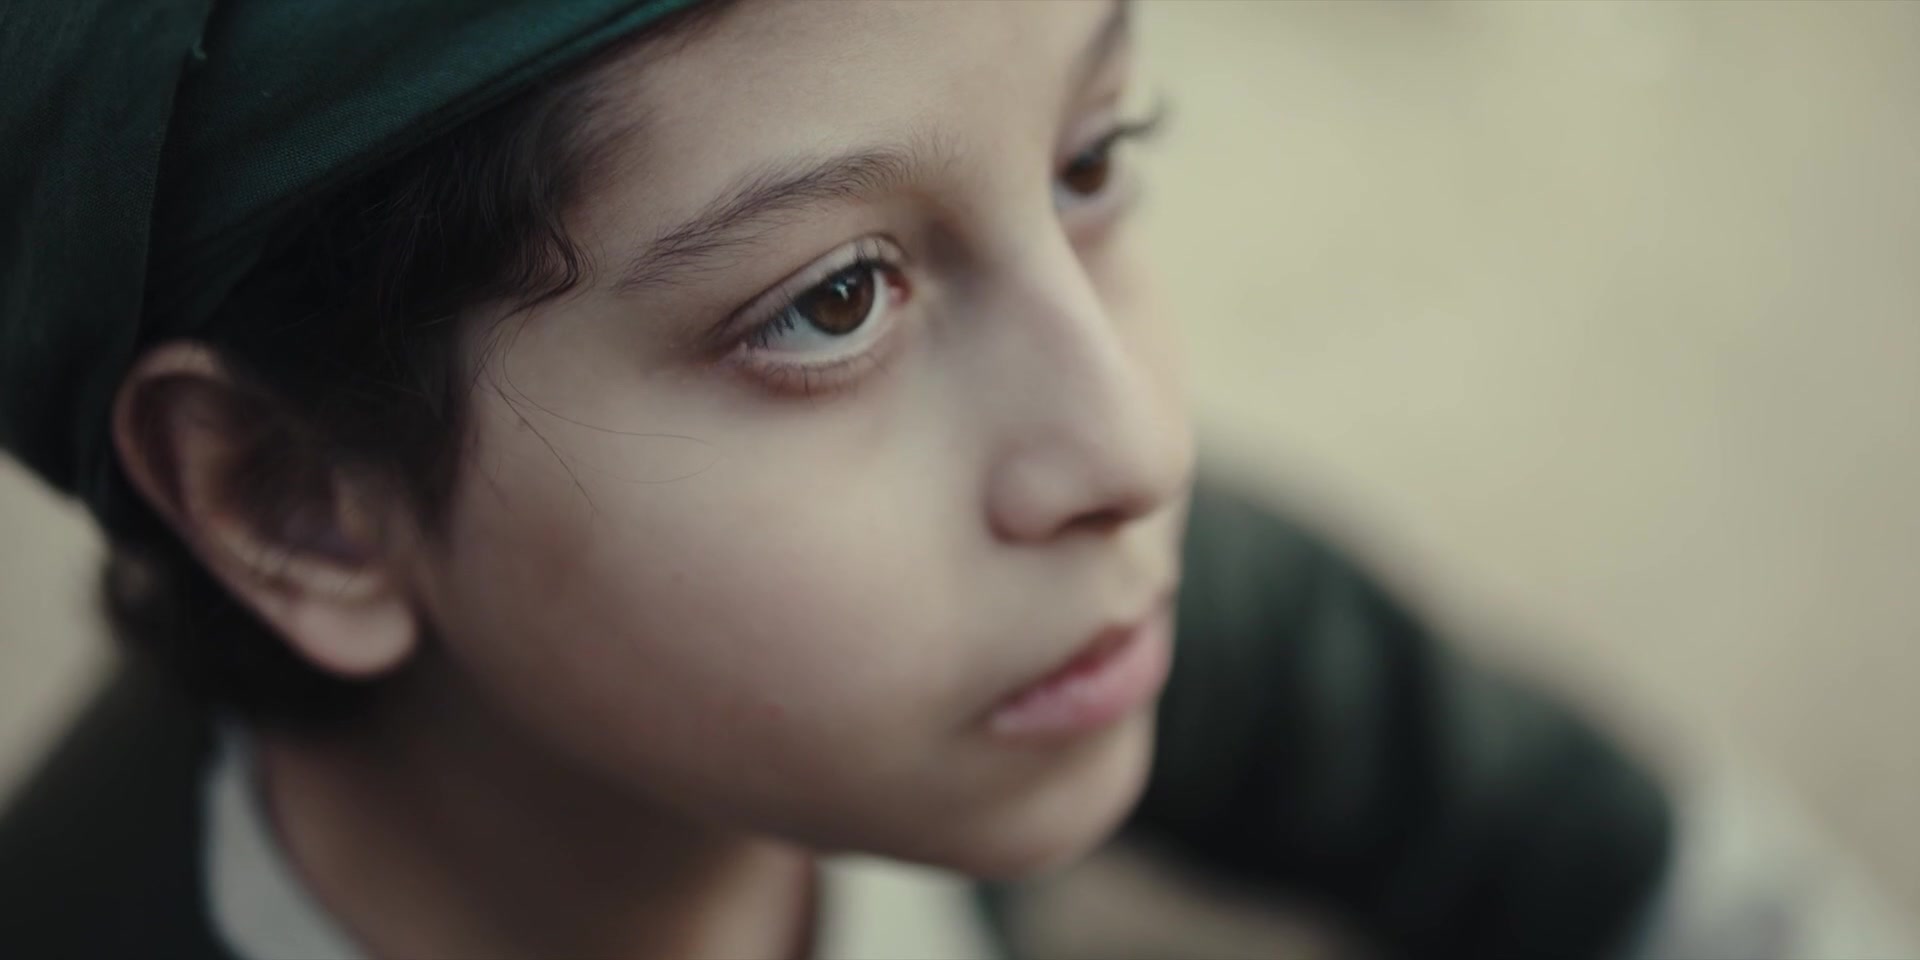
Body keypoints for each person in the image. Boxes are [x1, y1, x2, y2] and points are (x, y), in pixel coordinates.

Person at [0, 1, 1902, 957]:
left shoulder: (1092, 632)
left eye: (1092, 161)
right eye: (832, 300)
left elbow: (1655, 885)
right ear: (296, 496)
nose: (1134, 446)